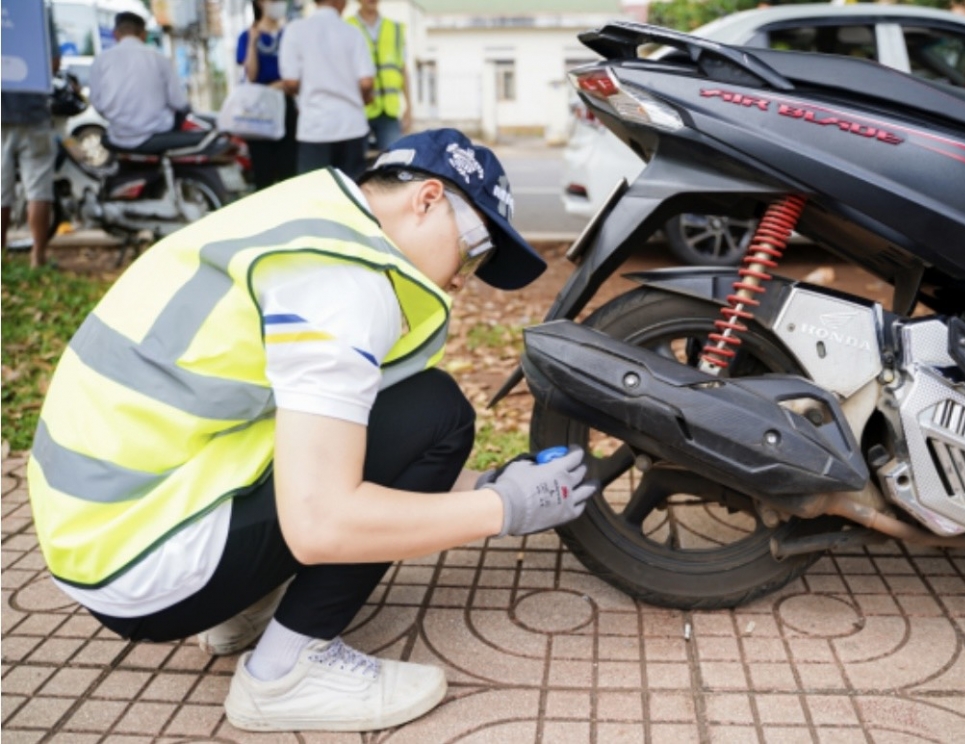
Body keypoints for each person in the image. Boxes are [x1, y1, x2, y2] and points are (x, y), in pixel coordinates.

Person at [27, 128, 594, 733]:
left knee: (401, 414)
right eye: (475, 252)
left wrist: (483, 484)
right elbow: (322, 523)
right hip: (141, 563)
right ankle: (284, 673)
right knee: (436, 414)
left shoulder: (302, 217)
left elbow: (317, 434)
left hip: (103, 524)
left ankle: (238, 607)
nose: (462, 280)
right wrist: (502, 509)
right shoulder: (342, 283)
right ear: (428, 199)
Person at [279, 0, 375, 178]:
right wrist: (366, 97)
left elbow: (290, 82)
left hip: (316, 127)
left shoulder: (295, 30)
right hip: (351, 125)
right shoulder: (353, 33)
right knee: (353, 193)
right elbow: (367, 82)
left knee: (315, 195)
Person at [1, 6, 60, 269]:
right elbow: (53, 61)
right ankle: (38, 256)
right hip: (34, 111)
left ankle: (1, 256)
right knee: (39, 190)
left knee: (0, 192)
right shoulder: (36, 9)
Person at [89, 12, 189, 149]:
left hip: (118, 136)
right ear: (144, 34)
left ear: (115, 34)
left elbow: (97, 103)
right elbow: (179, 102)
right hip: (157, 132)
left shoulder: (101, 61)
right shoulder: (159, 58)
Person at [236, 0, 299, 188]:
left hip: (285, 106)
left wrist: (275, 87)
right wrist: (253, 41)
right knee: (263, 172)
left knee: (289, 171)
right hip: (259, 111)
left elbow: (295, 77)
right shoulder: (247, 36)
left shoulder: (289, 35)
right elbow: (251, 75)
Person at [347, 0, 412, 152]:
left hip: (388, 111)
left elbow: (402, 69)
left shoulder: (395, 28)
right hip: (357, 110)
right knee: (354, 167)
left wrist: (409, 108)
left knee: (393, 164)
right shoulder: (347, 27)